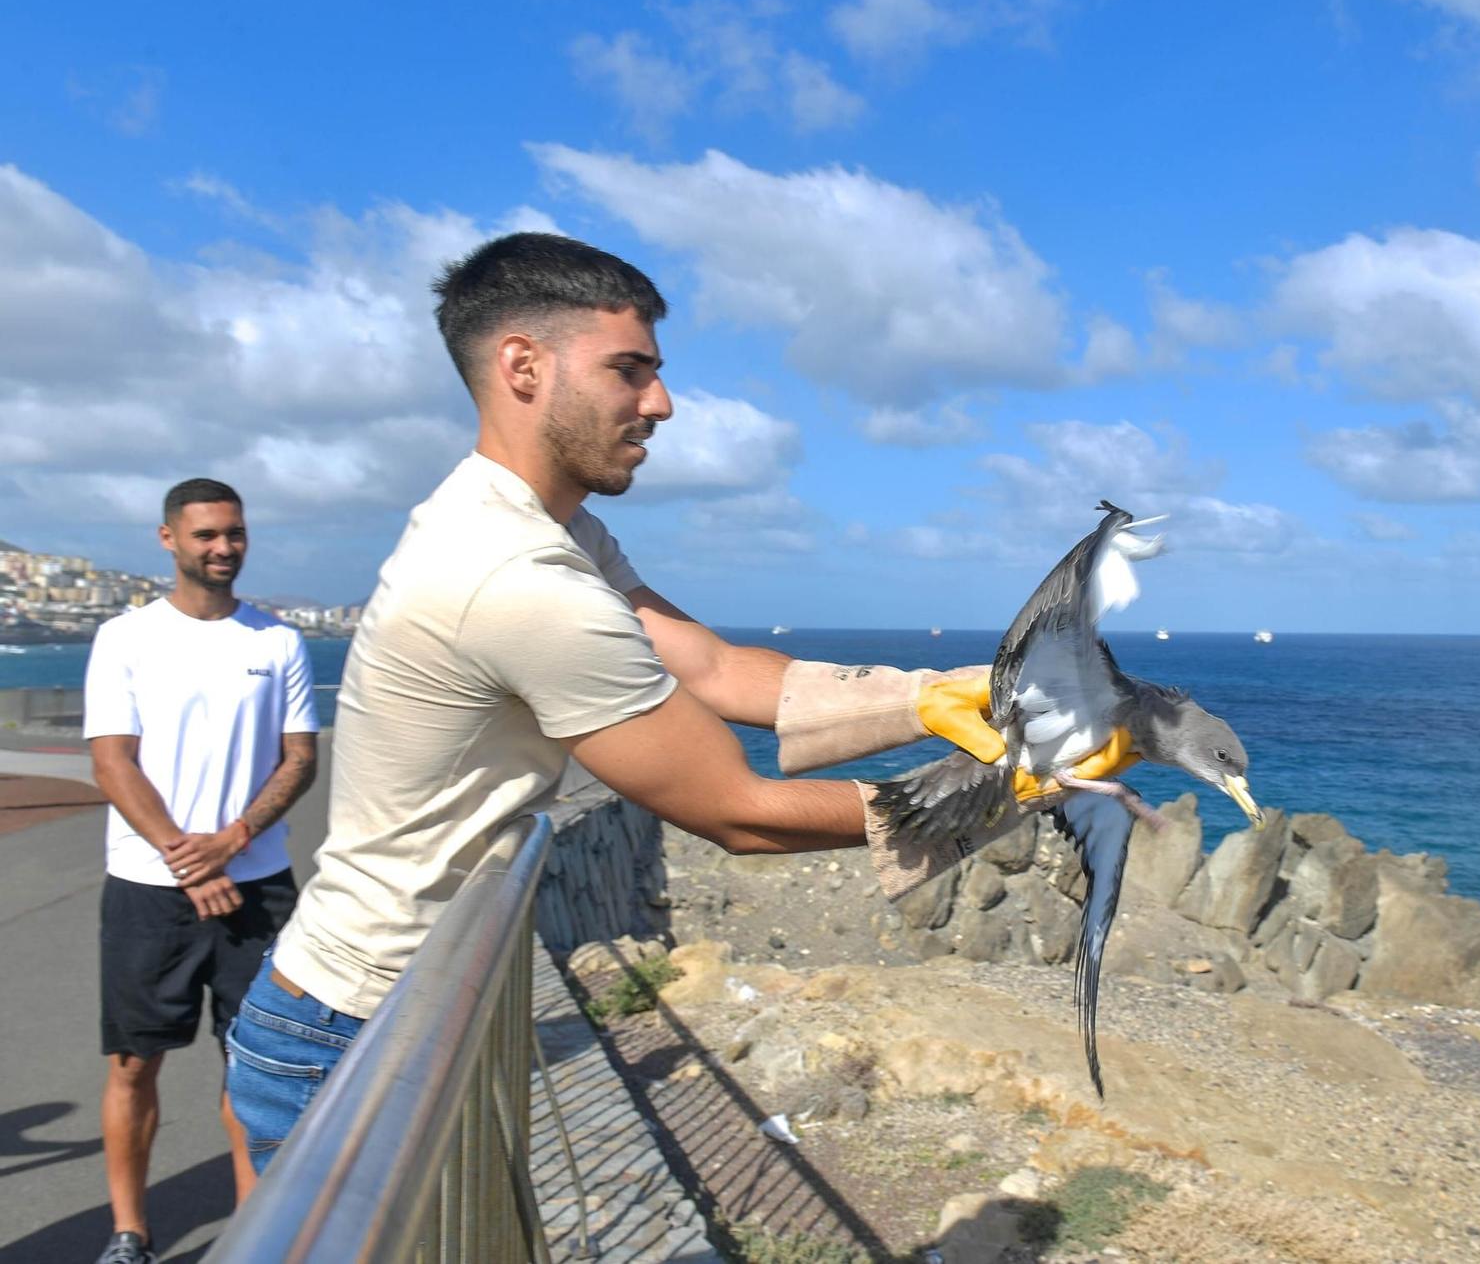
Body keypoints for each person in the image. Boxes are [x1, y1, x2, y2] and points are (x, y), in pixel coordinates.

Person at [225, 232, 1127, 1170]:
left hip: (382, 1004)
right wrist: (1015, 791)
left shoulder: (549, 531)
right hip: (357, 1029)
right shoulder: (515, 578)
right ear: (523, 365)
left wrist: (934, 694)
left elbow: (712, 668)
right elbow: (737, 812)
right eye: (630, 371)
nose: (661, 403)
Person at [83, 478, 320, 1264]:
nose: (223, 548)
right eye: (206, 535)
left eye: (235, 534)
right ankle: (129, 1233)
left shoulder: (276, 642)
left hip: (256, 886)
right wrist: (192, 862)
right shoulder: (125, 638)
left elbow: (300, 757)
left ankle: (251, 1239)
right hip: (150, 891)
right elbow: (113, 764)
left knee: (251, 1068)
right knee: (131, 1064)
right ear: (168, 539)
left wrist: (237, 836)